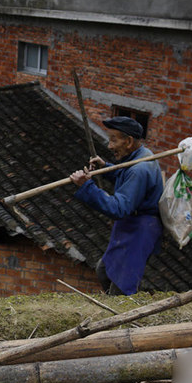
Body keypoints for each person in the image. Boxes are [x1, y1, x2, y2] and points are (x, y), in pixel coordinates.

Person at [70, 116, 163, 295]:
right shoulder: (142, 155)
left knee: (122, 286)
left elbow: (118, 208)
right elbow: (127, 178)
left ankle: (120, 312)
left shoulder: (140, 169)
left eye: (114, 140)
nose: (110, 146)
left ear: (128, 141)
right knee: (104, 271)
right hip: (132, 224)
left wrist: (86, 186)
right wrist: (106, 168)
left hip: (139, 230)